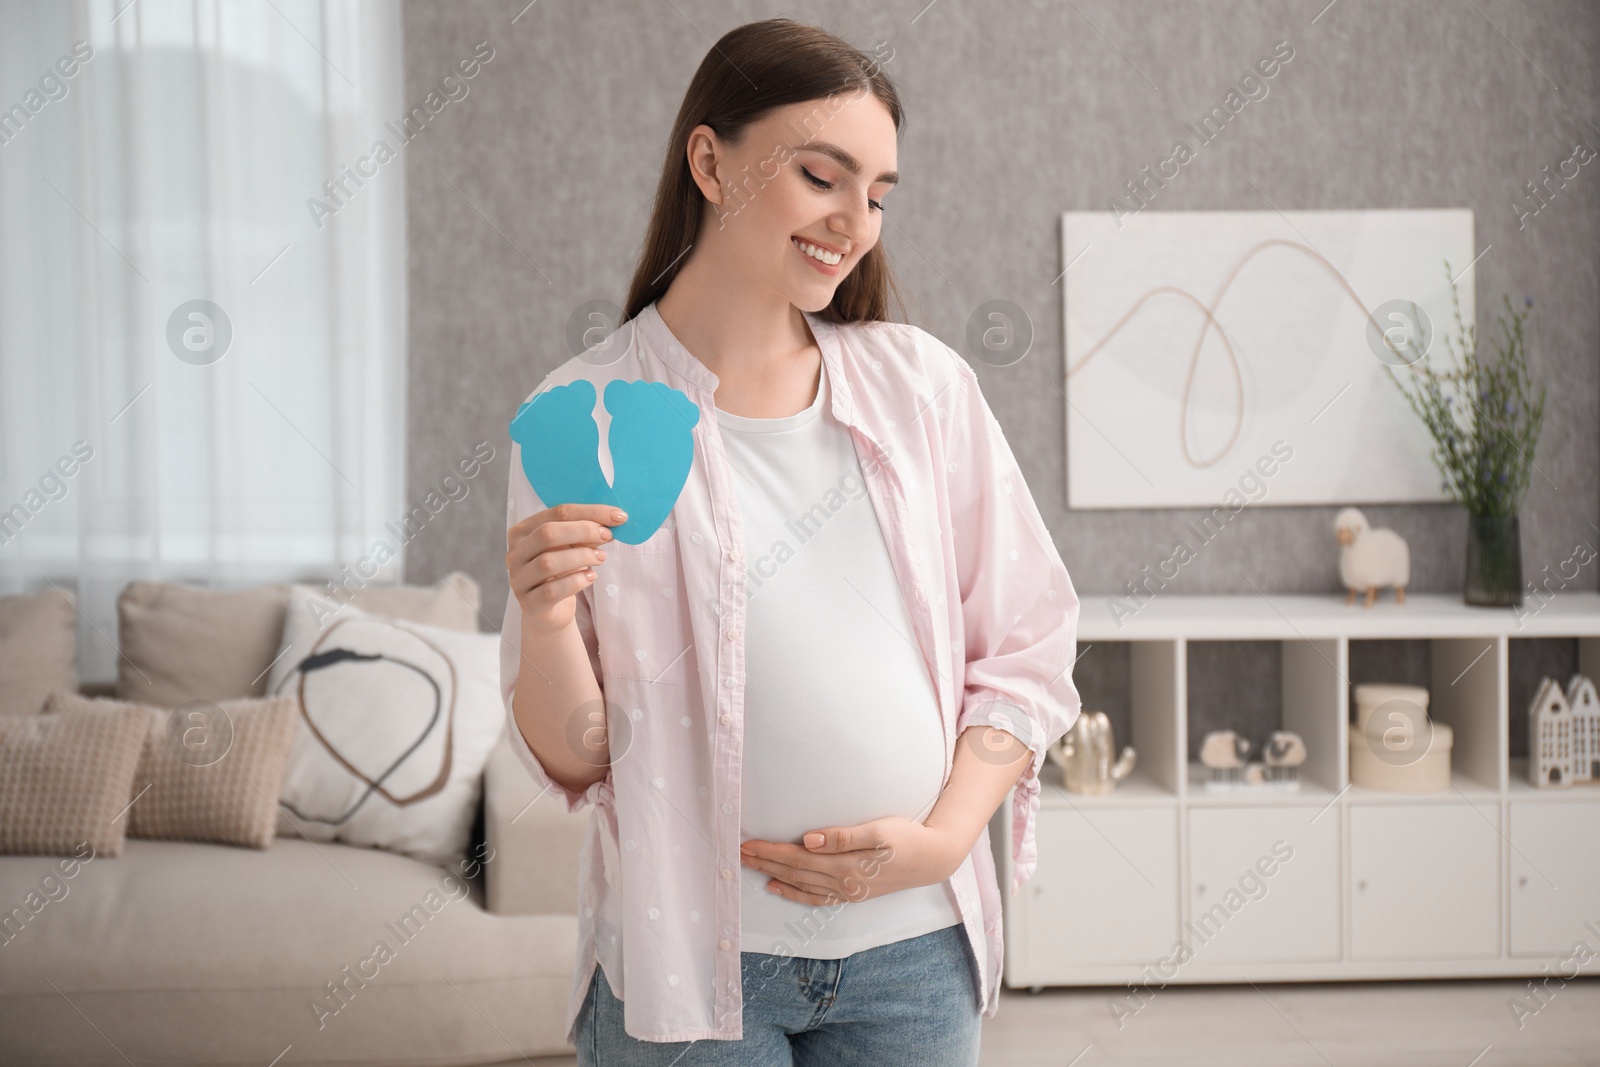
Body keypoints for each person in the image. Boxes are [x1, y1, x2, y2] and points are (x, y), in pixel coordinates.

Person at [501, 16, 1082, 1065]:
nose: (855, 221)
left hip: (914, 957)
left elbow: (1029, 651)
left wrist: (947, 836)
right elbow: (578, 756)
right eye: (824, 176)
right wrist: (545, 618)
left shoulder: (924, 388)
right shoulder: (581, 414)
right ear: (710, 159)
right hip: (689, 964)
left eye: (879, 194)